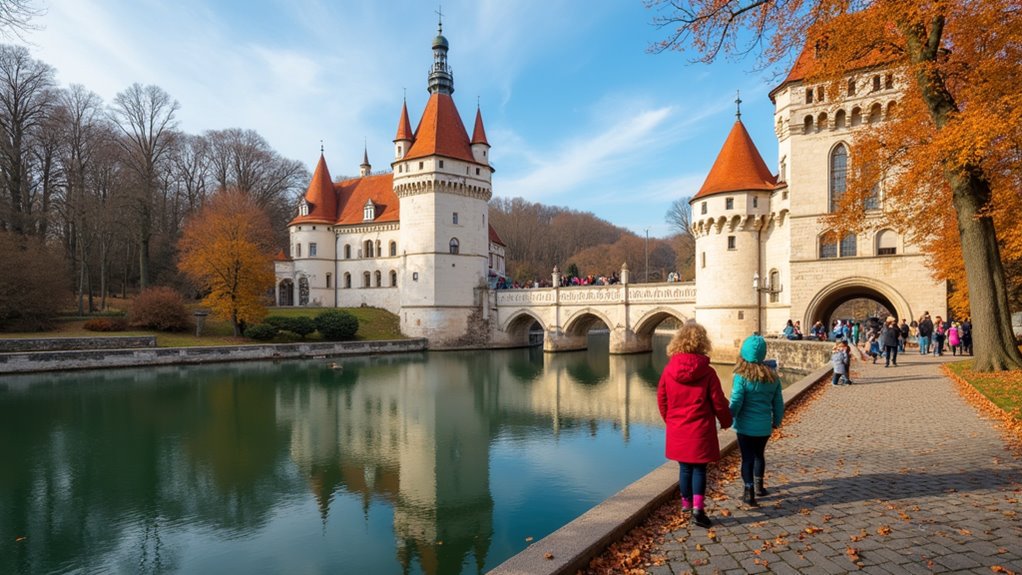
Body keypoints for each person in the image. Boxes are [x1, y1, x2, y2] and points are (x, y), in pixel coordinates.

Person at [657, 321, 732, 528]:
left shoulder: (668, 370)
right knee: (699, 470)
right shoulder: (708, 372)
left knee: (685, 469)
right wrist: (726, 421)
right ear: (702, 343)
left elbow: (662, 399)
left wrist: (670, 420)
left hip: (678, 428)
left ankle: (686, 504)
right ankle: (699, 509)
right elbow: (718, 401)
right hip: (701, 429)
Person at [729, 334, 784, 508]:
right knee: (759, 455)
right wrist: (777, 421)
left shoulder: (741, 376)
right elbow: (778, 403)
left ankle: (749, 492)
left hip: (745, 427)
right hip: (763, 427)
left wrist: (730, 416)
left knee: (747, 459)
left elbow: (736, 400)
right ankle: (760, 486)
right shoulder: (772, 377)